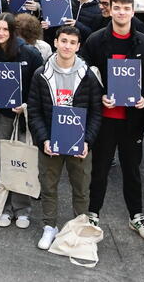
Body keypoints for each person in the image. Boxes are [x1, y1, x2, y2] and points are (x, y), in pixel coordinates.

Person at [81, 0, 144, 239]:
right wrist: (99, 96)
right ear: (110, 9)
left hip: (131, 121)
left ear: (133, 11)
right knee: (99, 170)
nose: (121, 12)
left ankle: (136, 216)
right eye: (117, 8)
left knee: (132, 170)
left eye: (126, 9)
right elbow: (84, 75)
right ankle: (93, 214)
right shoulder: (95, 40)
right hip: (104, 119)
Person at [28, 25, 102, 250]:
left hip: (79, 144)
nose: (67, 46)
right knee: (48, 186)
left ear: (78, 46)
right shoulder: (41, 74)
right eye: (63, 41)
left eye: (72, 42)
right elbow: (34, 110)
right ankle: (49, 227)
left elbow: (96, 112)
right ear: (56, 43)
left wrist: (87, 140)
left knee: (81, 188)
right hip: (51, 141)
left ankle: (77, 229)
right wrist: (43, 140)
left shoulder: (88, 75)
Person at [0, 13, 43, 228]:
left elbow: (40, 86)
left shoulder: (30, 54)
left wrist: (26, 104)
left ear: (13, 32)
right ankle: (4, 207)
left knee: (22, 162)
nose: (0, 33)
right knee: (2, 163)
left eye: (5, 29)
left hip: (23, 117)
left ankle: (23, 209)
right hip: (0, 117)